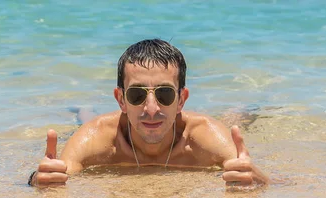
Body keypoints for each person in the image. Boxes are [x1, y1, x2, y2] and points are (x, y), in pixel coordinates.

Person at [29, 38, 270, 187]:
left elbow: (248, 172)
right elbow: (58, 176)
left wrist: (260, 180)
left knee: (233, 121)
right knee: (87, 119)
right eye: (137, 95)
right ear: (121, 100)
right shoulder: (97, 136)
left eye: (165, 94)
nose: (151, 109)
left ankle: (246, 108)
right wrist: (36, 180)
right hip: (104, 124)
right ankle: (83, 109)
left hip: (196, 123)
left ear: (182, 99)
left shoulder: (204, 136)